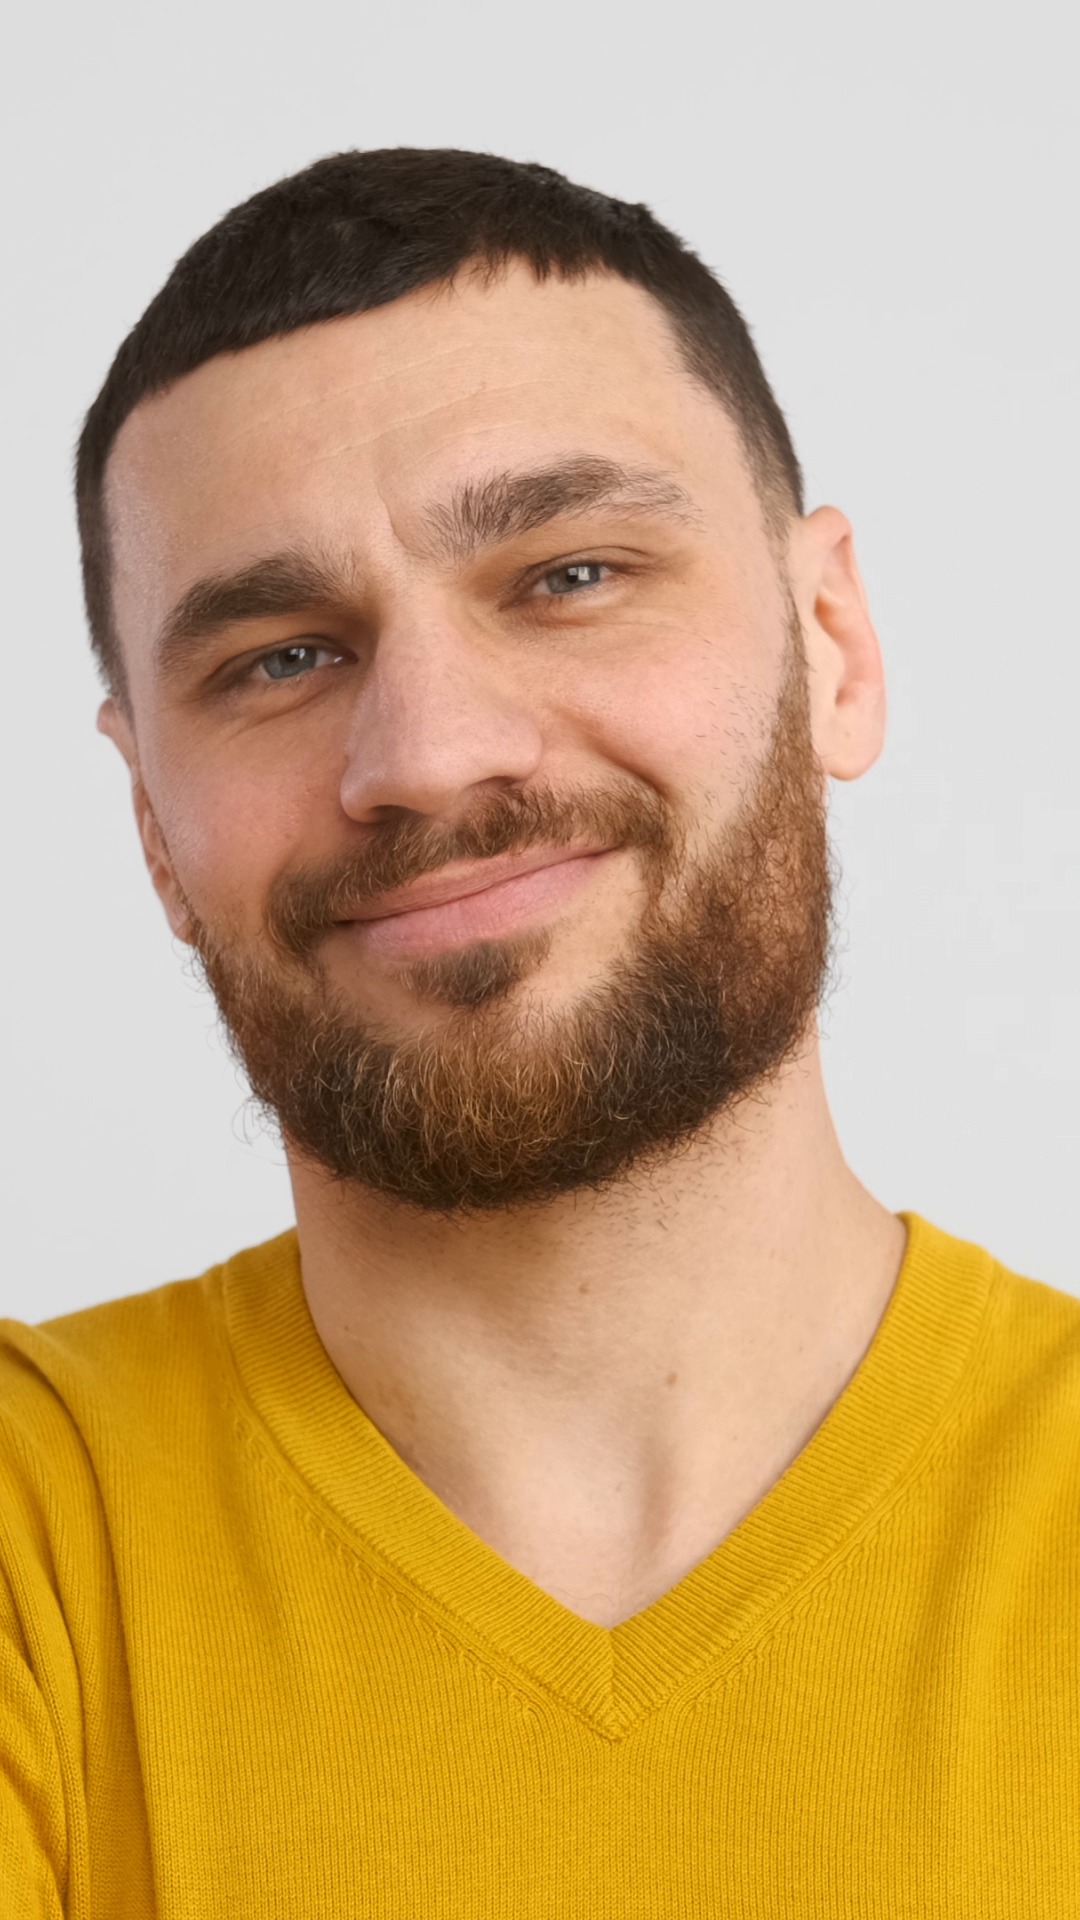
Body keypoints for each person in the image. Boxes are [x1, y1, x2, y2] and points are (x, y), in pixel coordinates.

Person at [2, 147, 1077, 1918]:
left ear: (833, 645)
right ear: (150, 832)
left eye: (570, 574)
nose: (427, 755)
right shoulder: (40, 1542)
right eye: (280, 658)